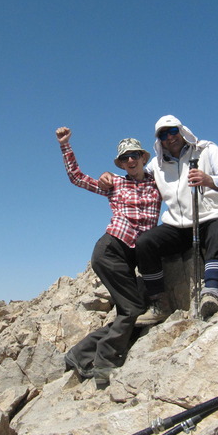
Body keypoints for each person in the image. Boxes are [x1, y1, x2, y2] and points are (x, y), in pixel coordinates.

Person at [101, 115, 218, 320]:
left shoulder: (207, 150)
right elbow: (136, 175)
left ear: (182, 131)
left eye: (173, 131)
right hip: (177, 224)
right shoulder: (156, 165)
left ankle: (212, 292)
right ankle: (159, 303)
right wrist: (109, 176)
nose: (170, 137)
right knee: (146, 242)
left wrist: (210, 180)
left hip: (210, 216)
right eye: (163, 134)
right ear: (159, 139)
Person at [56, 126, 161, 387]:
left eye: (135, 155)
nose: (130, 160)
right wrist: (65, 145)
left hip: (134, 256)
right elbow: (77, 178)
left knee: (131, 310)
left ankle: (79, 354)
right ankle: (103, 365)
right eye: (125, 158)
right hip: (111, 250)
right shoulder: (114, 182)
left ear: (144, 157)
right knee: (133, 308)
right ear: (120, 163)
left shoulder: (157, 182)